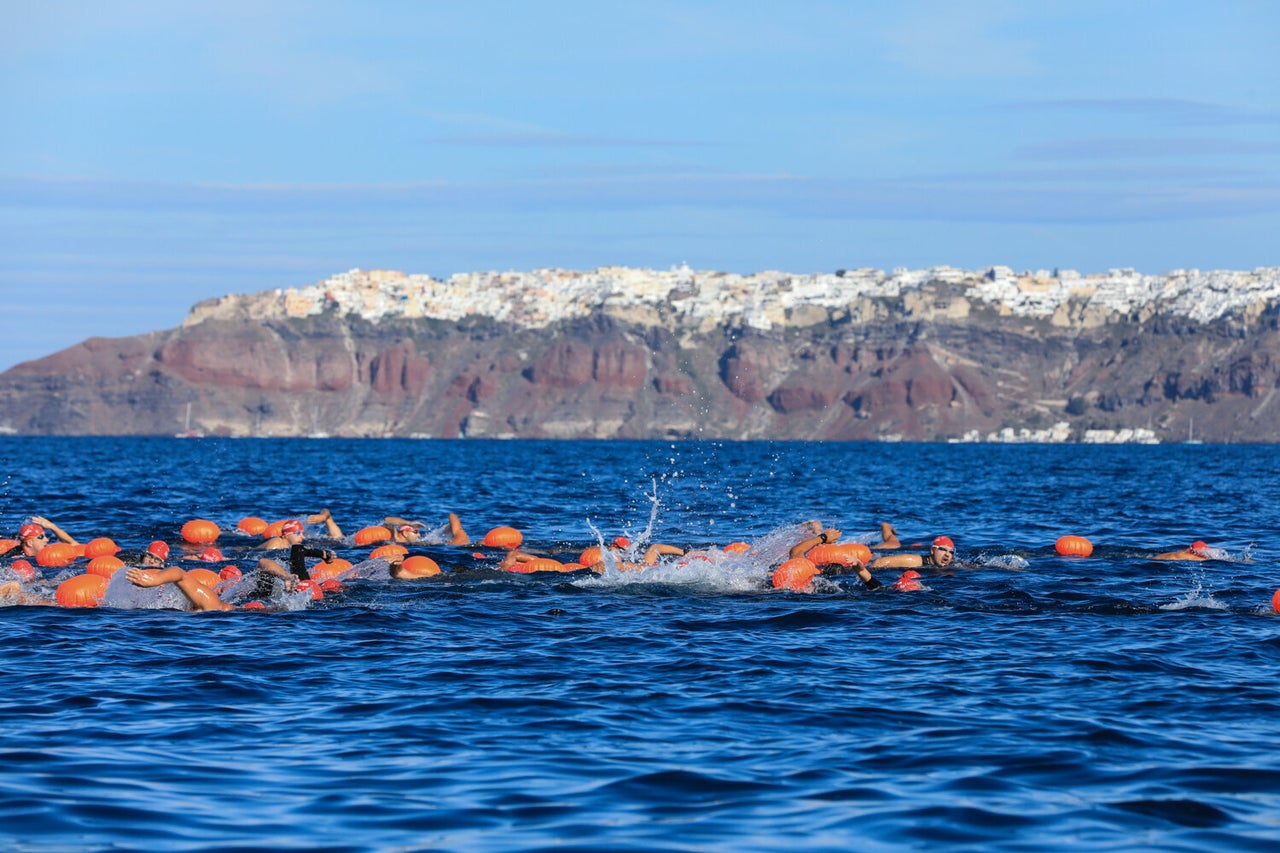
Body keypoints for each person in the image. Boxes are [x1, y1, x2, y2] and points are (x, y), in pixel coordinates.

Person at [787, 525, 883, 590]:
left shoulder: (806, 579)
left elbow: (796, 551)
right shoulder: (842, 586)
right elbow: (871, 582)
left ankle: (815, 528)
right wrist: (859, 567)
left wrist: (822, 537)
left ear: (820, 570)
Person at [126, 566, 233, 612]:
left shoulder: (211, 605)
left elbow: (180, 575)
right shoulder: (209, 603)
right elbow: (179, 574)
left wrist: (154, 580)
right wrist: (154, 579)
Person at [1, 518, 79, 559]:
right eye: (41, 537)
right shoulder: (16, 557)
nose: (47, 540)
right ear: (29, 543)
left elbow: (75, 545)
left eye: (45, 536)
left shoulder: (47, 550)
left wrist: (53, 527)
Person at [870, 535, 956, 570]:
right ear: (932, 550)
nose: (947, 554)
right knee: (893, 543)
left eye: (951, 551)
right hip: (878, 553)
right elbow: (879, 562)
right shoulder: (914, 561)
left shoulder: (952, 565)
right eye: (943, 549)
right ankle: (886, 526)